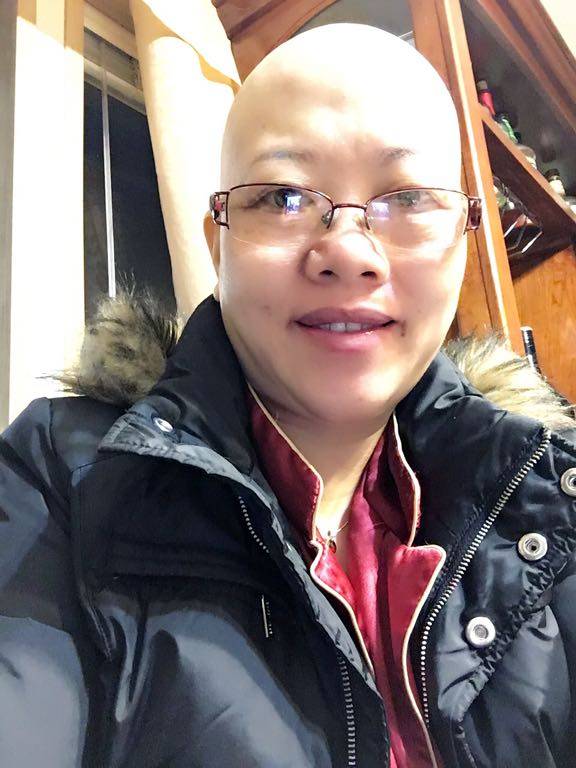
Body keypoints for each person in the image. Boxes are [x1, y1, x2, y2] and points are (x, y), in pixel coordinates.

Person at [1, 22, 575, 768]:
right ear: (217, 242)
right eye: (283, 196)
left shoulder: (551, 497)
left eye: (407, 197)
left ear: (464, 240)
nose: (349, 253)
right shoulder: (63, 478)